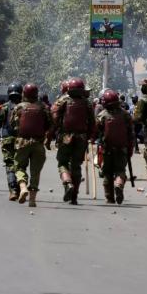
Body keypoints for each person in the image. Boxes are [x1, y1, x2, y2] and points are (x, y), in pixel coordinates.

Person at [51, 77, 96, 205]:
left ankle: (67, 183)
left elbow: (54, 116)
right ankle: (74, 196)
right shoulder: (87, 103)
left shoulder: (63, 100)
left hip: (65, 137)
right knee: (76, 165)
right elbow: (93, 123)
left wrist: (55, 131)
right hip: (81, 138)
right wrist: (90, 136)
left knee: (62, 163)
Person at [9, 83, 52, 207]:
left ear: (24, 94)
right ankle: (32, 200)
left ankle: (22, 187)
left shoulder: (19, 107)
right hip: (38, 144)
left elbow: (12, 124)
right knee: (35, 172)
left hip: (22, 143)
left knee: (19, 167)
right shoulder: (43, 107)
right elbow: (50, 124)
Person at [96, 89, 134, 205]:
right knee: (120, 170)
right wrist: (130, 148)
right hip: (122, 148)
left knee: (107, 172)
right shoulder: (125, 114)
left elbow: (97, 131)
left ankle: (109, 198)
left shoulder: (102, 115)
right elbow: (131, 133)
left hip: (107, 150)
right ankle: (118, 184)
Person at [0, 82, 22, 200]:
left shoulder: (4, 107)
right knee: (20, 164)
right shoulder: (24, 107)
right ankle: (21, 187)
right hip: (22, 140)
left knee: (10, 164)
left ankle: (13, 190)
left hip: (8, 139)